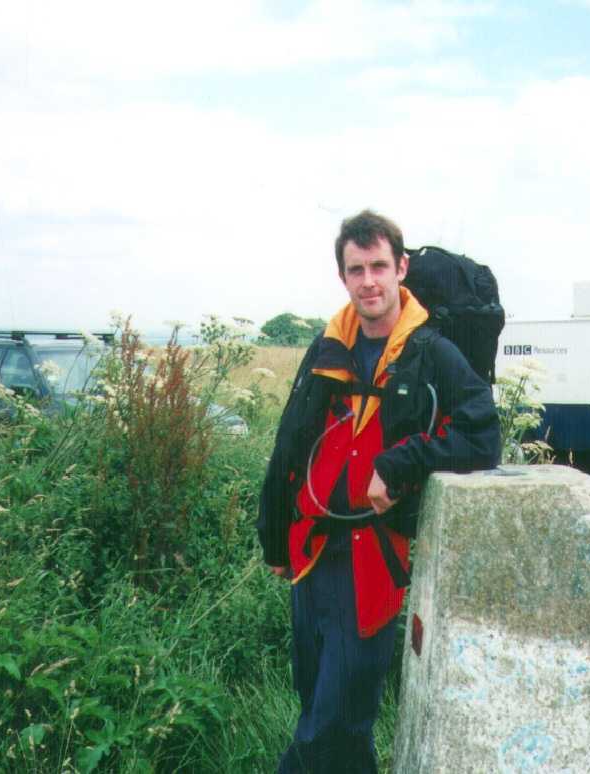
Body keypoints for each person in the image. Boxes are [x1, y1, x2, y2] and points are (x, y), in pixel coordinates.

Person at [257, 209, 501, 773]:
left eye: (379, 267)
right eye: (356, 269)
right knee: (322, 703)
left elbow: (482, 433)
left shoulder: (431, 350)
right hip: (312, 552)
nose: (368, 281)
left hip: (370, 559)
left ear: (401, 270)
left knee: (330, 721)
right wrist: (274, 534)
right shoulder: (329, 345)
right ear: (343, 277)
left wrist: (401, 462)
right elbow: (291, 440)